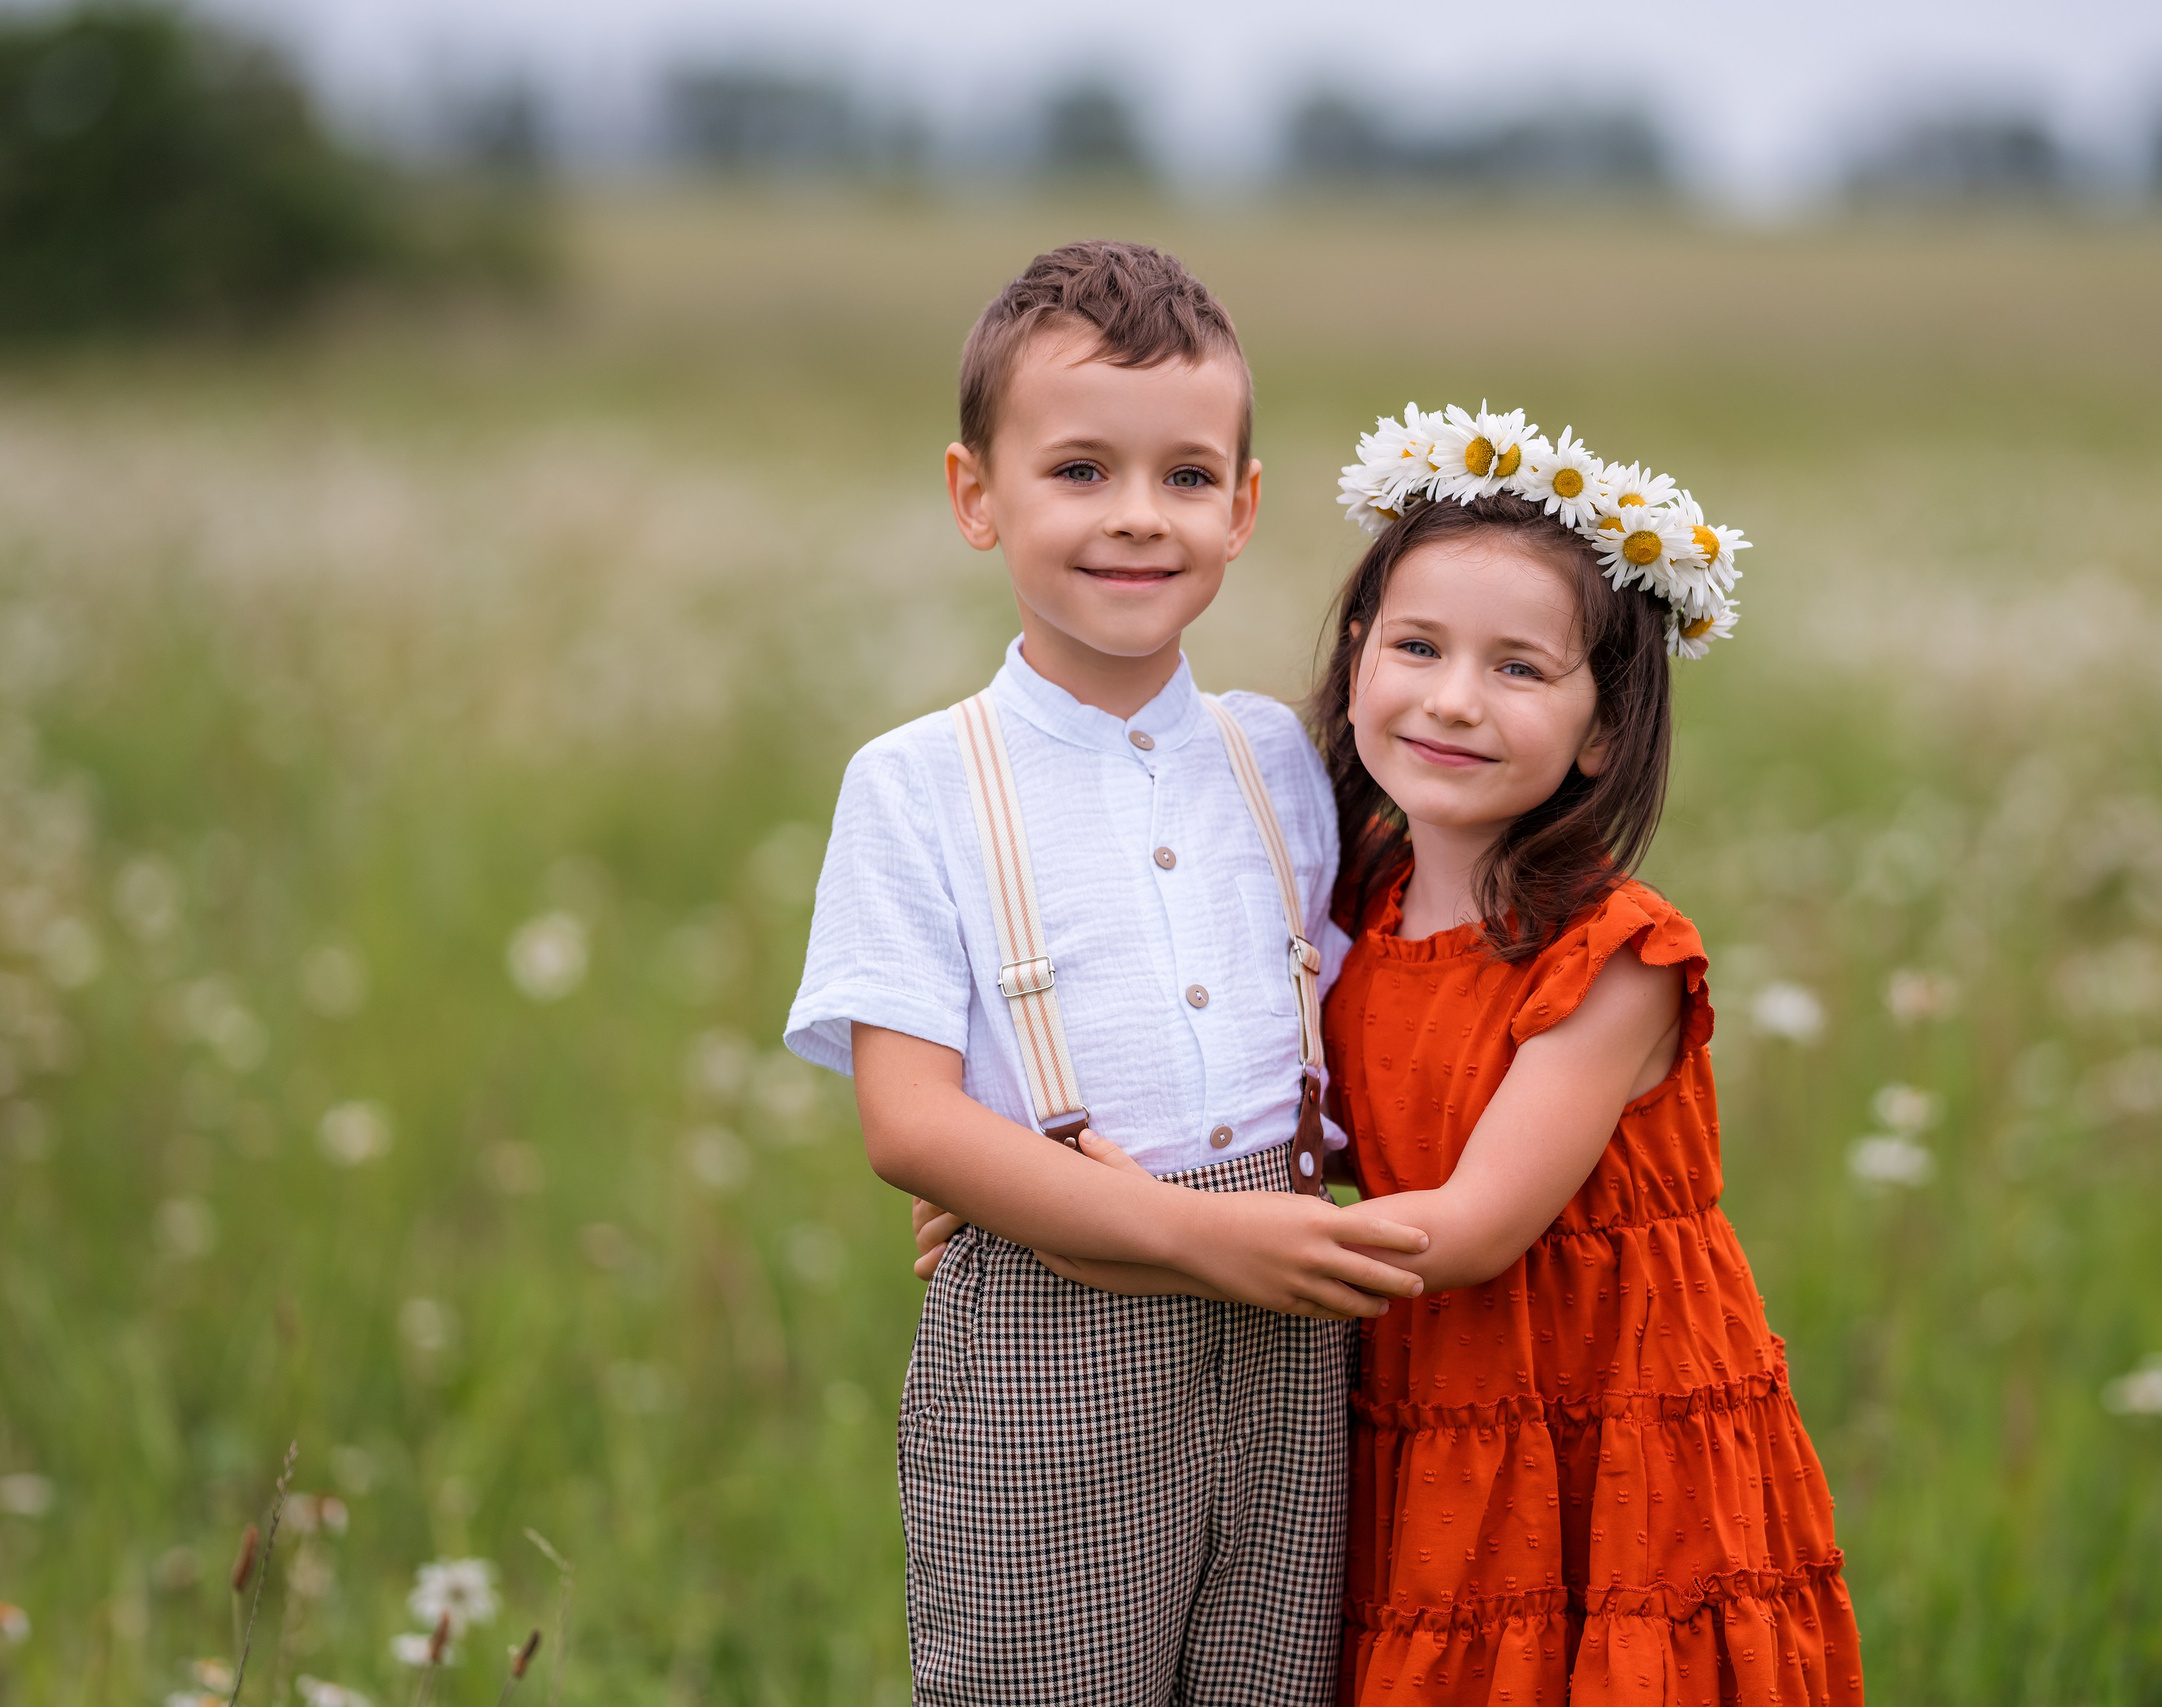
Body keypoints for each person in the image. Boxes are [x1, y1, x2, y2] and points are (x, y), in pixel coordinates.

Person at [783, 241, 1430, 1707]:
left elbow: (1340, 1018)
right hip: (1053, 1338)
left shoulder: (1281, 756)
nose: (1139, 519)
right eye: (1079, 470)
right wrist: (1190, 1236)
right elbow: (913, 1125)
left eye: (1188, 478)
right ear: (976, 496)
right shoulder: (917, 782)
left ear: (1246, 508)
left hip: (1289, 1346)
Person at [1317, 406, 1863, 1703]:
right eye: (1418, 647)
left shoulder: (1614, 957)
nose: (1452, 699)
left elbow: (1470, 1233)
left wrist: (1150, 1227)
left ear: (1603, 729)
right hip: (1439, 1392)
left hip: (1606, 1408)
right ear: (1355, 660)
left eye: (1519, 669)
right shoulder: (1355, 904)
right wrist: (1033, 1192)